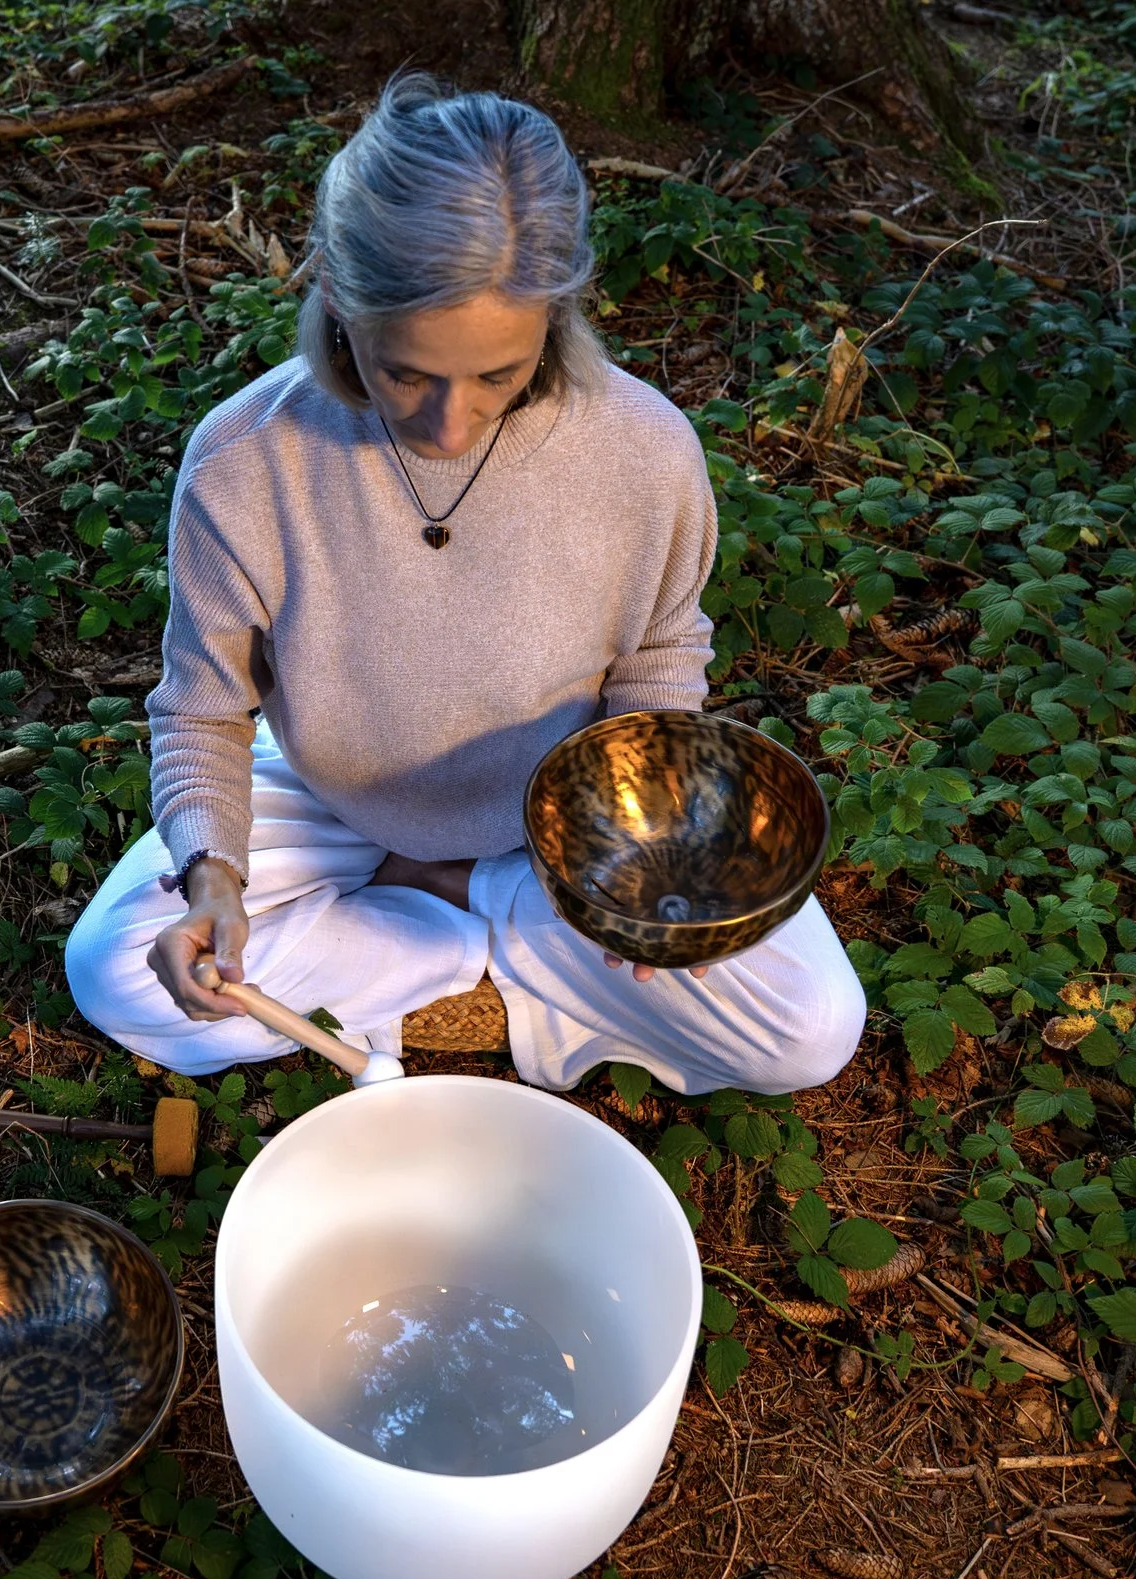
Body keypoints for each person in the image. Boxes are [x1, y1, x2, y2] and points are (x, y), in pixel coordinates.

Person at [63, 74, 865, 1096]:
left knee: (811, 1027)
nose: (449, 424)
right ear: (338, 301)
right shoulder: (245, 459)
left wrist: (643, 854)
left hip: (566, 811)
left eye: (497, 375)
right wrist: (212, 879)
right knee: (116, 968)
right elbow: (203, 708)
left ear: (556, 317)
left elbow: (660, 658)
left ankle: (448, 921)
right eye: (407, 373)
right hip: (330, 795)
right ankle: (483, 951)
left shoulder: (644, 449)